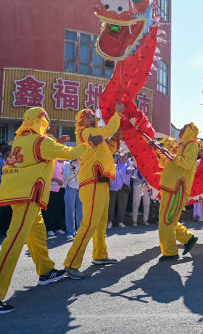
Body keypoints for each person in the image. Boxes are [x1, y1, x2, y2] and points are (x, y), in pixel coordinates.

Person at [0, 107, 98, 314]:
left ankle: (46, 271)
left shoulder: (21, 140)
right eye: (46, 117)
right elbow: (72, 152)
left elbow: (41, 154)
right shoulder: (42, 142)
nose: (48, 120)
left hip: (18, 193)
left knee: (37, 234)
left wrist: (56, 142)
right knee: (13, 243)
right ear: (39, 120)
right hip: (28, 195)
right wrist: (89, 144)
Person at [63, 104, 123, 280]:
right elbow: (110, 128)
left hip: (101, 181)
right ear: (81, 121)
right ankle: (72, 263)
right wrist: (117, 113)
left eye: (92, 116)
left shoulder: (96, 136)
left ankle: (99, 255)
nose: (92, 118)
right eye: (88, 116)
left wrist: (113, 140)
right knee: (89, 224)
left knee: (101, 221)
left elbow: (108, 151)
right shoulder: (86, 133)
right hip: (92, 181)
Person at [149, 123, 199, 261]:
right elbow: (164, 163)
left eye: (184, 129)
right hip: (168, 187)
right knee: (166, 219)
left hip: (178, 188)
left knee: (167, 220)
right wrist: (158, 150)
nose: (181, 131)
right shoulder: (179, 146)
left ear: (190, 131)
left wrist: (172, 156)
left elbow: (187, 163)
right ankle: (187, 238)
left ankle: (170, 252)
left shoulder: (192, 145)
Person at [108, 152, 131, 228]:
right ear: (118, 156)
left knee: (122, 205)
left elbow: (129, 172)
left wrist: (127, 160)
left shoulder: (128, 165)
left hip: (123, 188)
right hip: (112, 187)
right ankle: (110, 222)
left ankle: (121, 222)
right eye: (122, 156)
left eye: (125, 157)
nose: (123, 158)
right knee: (111, 205)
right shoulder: (113, 164)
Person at [43, 160, 65, 238]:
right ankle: (50, 229)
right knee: (51, 209)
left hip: (62, 188)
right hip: (52, 188)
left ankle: (58, 228)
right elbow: (46, 174)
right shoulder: (52, 162)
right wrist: (56, 180)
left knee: (59, 209)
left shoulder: (66, 163)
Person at [63, 159, 82, 240]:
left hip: (81, 189)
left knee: (80, 211)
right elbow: (65, 176)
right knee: (69, 211)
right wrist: (72, 171)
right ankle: (70, 231)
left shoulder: (83, 163)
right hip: (70, 189)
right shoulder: (68, 164)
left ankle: (80, 231)